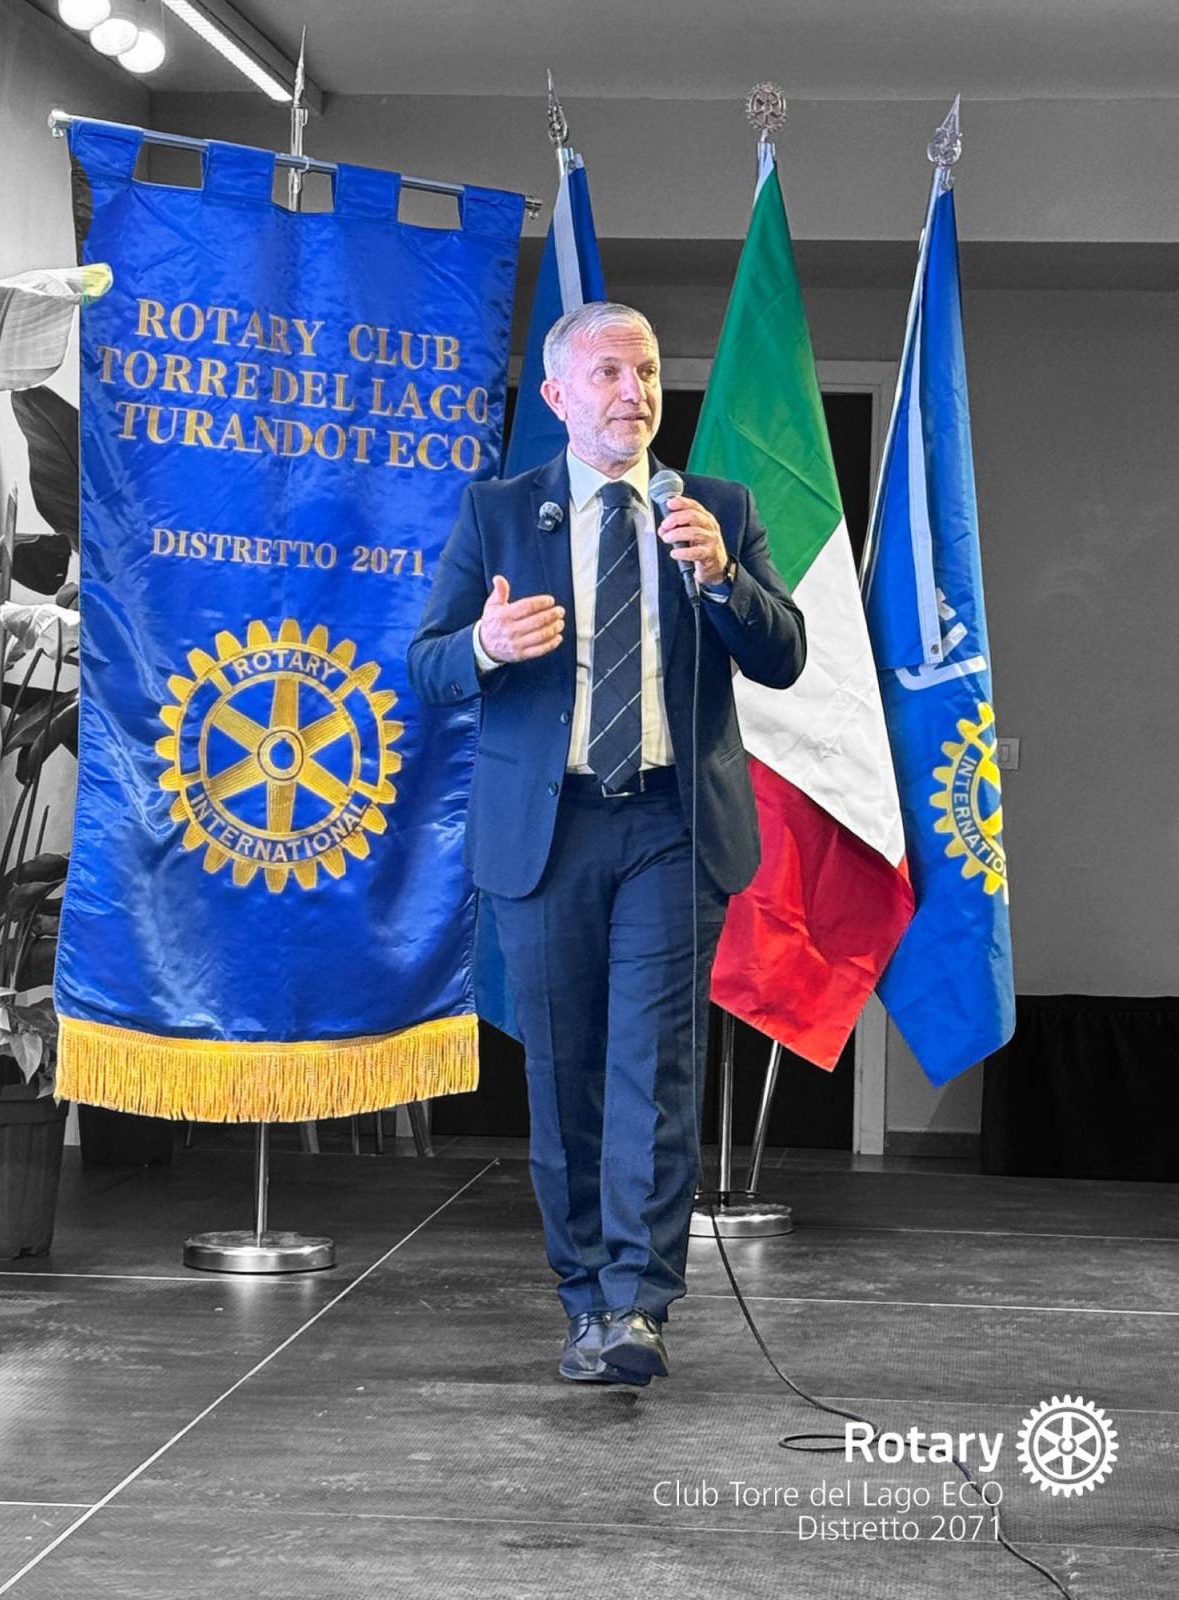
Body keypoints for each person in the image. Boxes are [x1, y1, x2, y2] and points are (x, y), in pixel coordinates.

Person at [407, 302, 806, 1386]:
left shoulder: (716, 509)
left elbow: (784, 657)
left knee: (655, 1068)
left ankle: (638, 1306)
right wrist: (484, 644)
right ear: (557, 395)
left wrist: (723, 580)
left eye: (648, 371)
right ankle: (583, 1296)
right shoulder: (499, 513)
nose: (635, 393)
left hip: (672, 825)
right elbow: (426, 666)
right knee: (567, 1071)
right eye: (609, 374)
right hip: (550, 829)